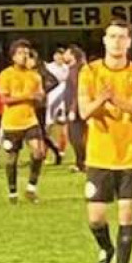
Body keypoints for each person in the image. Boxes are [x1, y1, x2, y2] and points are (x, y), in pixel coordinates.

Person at [78, 19, 132, 263]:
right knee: (96, 217)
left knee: (126, 214)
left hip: (131, 156)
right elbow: (84, 111)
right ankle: (106, 250)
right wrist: (103, 98)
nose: (117, 41)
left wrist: (115, 99)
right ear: (104, 40)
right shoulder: (89, 72)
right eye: (112, 36)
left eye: (122, 37)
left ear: (129, 42)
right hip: (99, 156)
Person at [0, 40, 46, 204]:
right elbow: (4, 99)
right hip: (12, 123)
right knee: (12, 159)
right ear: (13, 56)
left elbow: (40, 97)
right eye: (20, 53)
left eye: (26, 53)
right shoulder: (6, 74)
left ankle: (31, 188)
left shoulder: (35, 75)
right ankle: (12, 192)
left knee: (39, 152)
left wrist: (40, 98)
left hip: (30, 120)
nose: (24, 56)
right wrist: (27, 97)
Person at [28, 50, 63, 165]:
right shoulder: (28, 71)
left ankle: (56, 152)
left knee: (40, 132)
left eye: (28, 59)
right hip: (29, 104)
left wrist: (43, 91)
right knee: (30, 131)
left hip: (40, 105)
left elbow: (53, 82)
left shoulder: (41, 69)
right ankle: (37, 155)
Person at [64, 45, 88, 173]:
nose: (64, 55)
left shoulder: (76, 70)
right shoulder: (74, 69)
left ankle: (83, 162)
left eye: (66, 52)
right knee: (75, 137)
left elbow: (77, 91)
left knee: (75, 137)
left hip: (76, 108)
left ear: (72, 55)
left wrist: (73, 109)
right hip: (75, 107)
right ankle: (80, 162)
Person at [44, 46, 69, 161]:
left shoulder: (67, 68)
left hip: (64, 100)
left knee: (64, 126)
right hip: (50, 100)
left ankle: (62, 151)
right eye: (57, 55)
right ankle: (43, 154)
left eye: (61, 55)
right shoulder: (48, 68)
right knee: (47, 127)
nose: (59, 57)